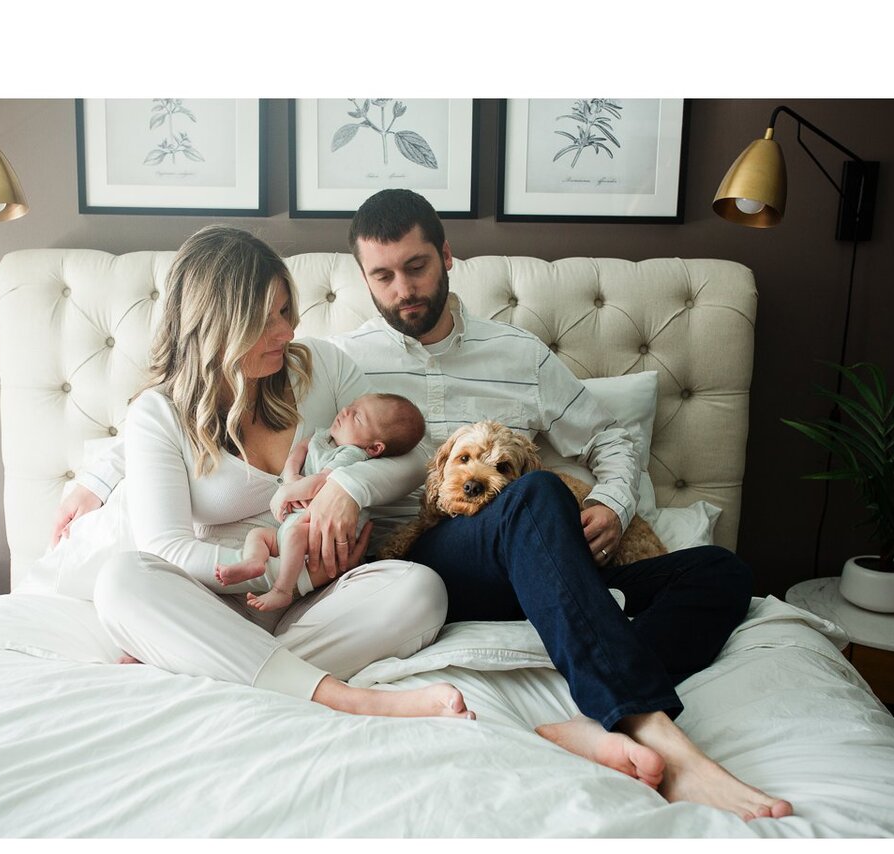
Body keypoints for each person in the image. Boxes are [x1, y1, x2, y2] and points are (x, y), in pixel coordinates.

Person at [328, 188, 780, 821]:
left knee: (722, 573)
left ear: (448, 255)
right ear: (364, 279)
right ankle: (658, 738)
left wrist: (615, 504)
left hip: (546, 562)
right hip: (432, 564)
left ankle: (580, 715)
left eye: (416, 266)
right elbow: (309, 468)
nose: (403, 287)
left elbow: (611, 439)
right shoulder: (343, 364)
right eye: (383, 275)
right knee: (536, 491)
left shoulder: (519, 355)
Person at [91, 225, 465, 720]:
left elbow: (416, 458)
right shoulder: (158, 415)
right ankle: (345, 697)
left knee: (420, 590)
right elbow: (166, 549)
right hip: (213, 605)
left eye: (286, 310)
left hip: (312, 609)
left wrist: (349, 489)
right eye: (264, 320)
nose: (286, 332)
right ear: (216, 325)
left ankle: (201, 671)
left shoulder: (324, 368)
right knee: (122, 580)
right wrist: (294, 573)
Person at [214, 392, 426, 613]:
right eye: (351, 405)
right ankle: (253, 562)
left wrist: (286, 493)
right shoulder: (325, 437)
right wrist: (290, 476)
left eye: (357, 417)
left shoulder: (351, 454)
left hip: (328, 535)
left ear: (374, 448)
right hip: (300, 524)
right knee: (257, 536)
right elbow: (300, 450)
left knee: (294, 536)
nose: (345, 411)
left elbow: (319, 482)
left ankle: (282, 590)